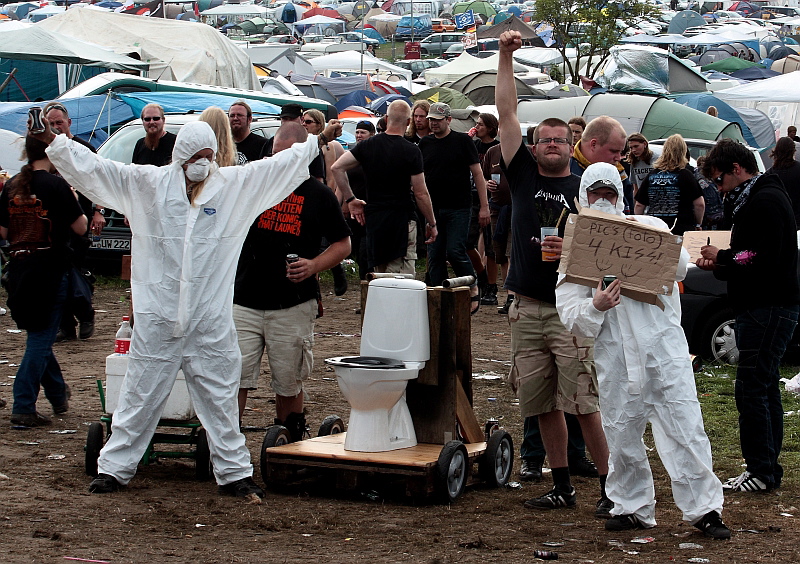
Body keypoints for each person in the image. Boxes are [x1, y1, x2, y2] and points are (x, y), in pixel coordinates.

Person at [36, 114, 343, 500]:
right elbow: (98, 170)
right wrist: (59, 143)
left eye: (208, 155)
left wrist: (315, 142)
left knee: (220, 401)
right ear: (180, 154)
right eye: (196, 155)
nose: (203, 162)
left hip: (209, 322)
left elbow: (276, 167)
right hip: (158, 319)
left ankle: (234, 473)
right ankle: (113, 469)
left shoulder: (230, 187)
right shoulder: (147, 185)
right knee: (138, 398)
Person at [556, 163, 729, 539]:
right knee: (621, 433)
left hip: (663, 354)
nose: (602, 201)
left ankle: (705, 510)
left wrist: (647, 237)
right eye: (595, 194)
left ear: (621, 195)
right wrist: (595, 306)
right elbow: (570, 314)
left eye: (609, 194)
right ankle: (631, 506)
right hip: (616, 359)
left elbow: (680, 268)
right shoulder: (579, 251)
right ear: (582, 197)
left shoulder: (649, 228)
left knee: (685, 428)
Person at [496, 29, 611, 514]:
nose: (551, 146)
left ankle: (611, 489)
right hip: (527, 306)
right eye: (544, 140)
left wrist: (571, 253)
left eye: (560, 141)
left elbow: (608, 252)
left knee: (584, 403)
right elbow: (506, 112)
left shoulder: (587, 187)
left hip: (572, 310)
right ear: (534, 145)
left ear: (573, 145)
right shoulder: (521, 173)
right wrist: (504, 55)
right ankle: (561, 485)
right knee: (540, 404)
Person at [234, 123, 352, 440]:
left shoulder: (319, 194)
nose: (278, 162)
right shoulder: (255, 186)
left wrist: (314, 265)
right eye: (274, 155)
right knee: (234, 377)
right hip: (244, 299)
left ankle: (288, 443)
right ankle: (225, 441)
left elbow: (344, 245)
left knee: (288, 380)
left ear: (302, 157)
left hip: (293, 303)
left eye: (286, 156)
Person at [698, 138, 800, 493]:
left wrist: (723, 257)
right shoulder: (757, 198)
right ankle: (766, 469)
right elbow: (750, 255)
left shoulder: (765, 200)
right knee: (764, 385)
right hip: (763, 304)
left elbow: (761, 257)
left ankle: (760, 469)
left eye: (720, 179)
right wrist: (723, 262)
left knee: (752, 388)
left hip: (768, 306)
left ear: (737, 170)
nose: (717, 187)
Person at [1, 135, 87, 427]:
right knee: (39, 340)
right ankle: (23, 405)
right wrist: (73, 200)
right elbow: (80, 227)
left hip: (19, 270)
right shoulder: (56, 184)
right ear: (51, 152)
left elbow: (3, 232)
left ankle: (58, 393)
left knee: (40, 336)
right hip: (49, 271)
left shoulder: (12, 185)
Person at [332, 100, 437, 275]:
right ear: (409, 121)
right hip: (401, 219)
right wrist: (432, 223)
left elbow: (337, 168)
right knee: (402, 279)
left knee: (380, 276)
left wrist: (351, 199)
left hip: (375, 219)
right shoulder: (411, 150)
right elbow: (420, 192)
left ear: (386, 119)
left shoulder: (368, 145)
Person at [420, 102, 488, 314]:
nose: (433, 124)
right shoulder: (425, 144)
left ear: (448, 120)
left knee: (455, 249)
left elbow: (478, 174)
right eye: (431, 120)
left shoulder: (462, 141)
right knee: (435, 253)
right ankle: (440, 296)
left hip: (459, 205)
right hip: (433, 208)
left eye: (438, 120)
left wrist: (484, 205)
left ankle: (472, 284)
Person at [43, 102, 102, 343]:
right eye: (51, 123)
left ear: (69, 123)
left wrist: (99, 211)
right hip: (51, 225)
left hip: (80, 219)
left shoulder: (83, 148)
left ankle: (86, 314)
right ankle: (65, 325)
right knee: (55, 276)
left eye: (59, 122)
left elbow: (99, 182)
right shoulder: (43, 151)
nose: (56, 127)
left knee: (75, 273)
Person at [634, 134, 704, 235]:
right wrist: (698, 224)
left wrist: (641, 224)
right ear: (683, 152)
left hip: (656, 229)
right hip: (681, 229)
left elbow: (639, 204)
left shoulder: (652, 175)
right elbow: (699, 204)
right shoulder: (686, 175)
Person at [469, 113, 501, 306]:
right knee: (466, 242)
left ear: (490, 127)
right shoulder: (473, 146)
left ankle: (491, 287)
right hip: (471, 199)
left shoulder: (496, 148)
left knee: (490, 248)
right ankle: (480, 277)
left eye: (481, 124)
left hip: (492, 201)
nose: (477, 127)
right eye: (476, 124)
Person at [570, 115, 634, 213]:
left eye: (620, 152)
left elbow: (628, 212)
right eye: (613, 151)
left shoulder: (619, 173)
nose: (618, 158)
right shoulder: (565, 169)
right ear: (593, 144)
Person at [345, 120, 376, 280]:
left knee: (366, 249)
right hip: (353, 208)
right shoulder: (351, 155)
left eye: (362, 132)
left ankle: (368, 279)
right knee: (356, 247)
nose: (358, 135)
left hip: (370, 208)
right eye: (357, 132)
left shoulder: (375, 155)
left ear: (372, 134)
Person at [767, 137, 800, 227]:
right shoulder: (798, 169)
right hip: (797, 219)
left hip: (777, 221)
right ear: (793, 151)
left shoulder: (770, 174)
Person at [228, 101, 267, 165]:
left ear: (249, 119)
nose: (235, 118)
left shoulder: (263, 145)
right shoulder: (225, 144)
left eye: (239, 115)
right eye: (232, 116)